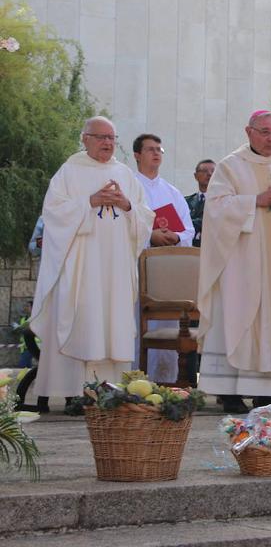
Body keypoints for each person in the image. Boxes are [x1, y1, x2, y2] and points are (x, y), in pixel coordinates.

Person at [196, 110, 271, 414]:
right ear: (248, 132)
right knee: (237, 316)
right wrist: (254, 202)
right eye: (264, 132)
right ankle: (229, 391)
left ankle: (270, 392)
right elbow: (216, 209)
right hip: (241, 263)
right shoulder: (231, 166)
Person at [29, 116, 154, 403]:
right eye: (100, 137)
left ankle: (110, 391)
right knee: (83, 316)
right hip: (81, 265)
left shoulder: (125, 175)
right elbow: (53, 213)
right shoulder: (69, 172)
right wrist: (90, 202)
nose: (107, 143)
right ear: (85, 139)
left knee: (111, 320)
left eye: (112, 138)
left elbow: (145, 218)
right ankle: (73, 392)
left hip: (116, 267)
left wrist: (126, 205)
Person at [133, 133, 195, 383]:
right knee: (137, 325)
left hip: (168, 277)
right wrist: (151, 235)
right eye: (150, 149)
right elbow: (127, 223)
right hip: (139, 270)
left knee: (166, 323)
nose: (156, 153)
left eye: (159, 149)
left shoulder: (172, 192)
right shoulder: (129, 186)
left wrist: (175, 238)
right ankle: (135, 379)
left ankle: (166, 381)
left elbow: (189, 230)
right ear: (137, 155)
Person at [185, 159, 215, 247]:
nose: (209, 174)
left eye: (214, 171)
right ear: (196, 176)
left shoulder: (222, 201)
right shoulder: (186, 201)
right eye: (205, 171)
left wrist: (187, 223)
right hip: (188, 249)